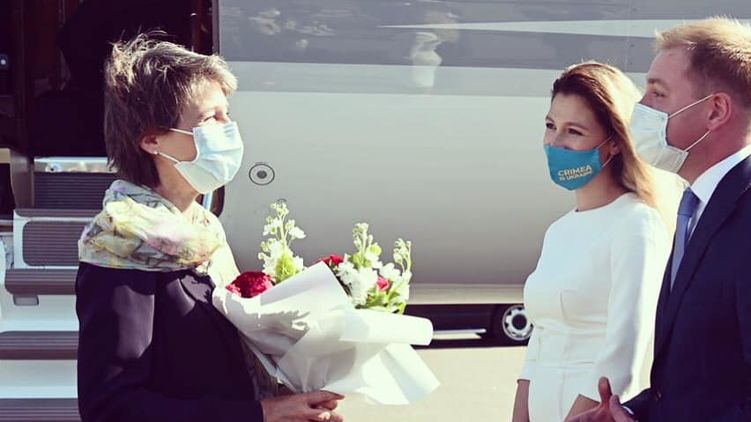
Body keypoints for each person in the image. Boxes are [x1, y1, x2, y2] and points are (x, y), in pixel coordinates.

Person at [75, 34, 344, 422]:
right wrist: (261, 413)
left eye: (226, 114)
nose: (228, 128)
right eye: (209, 119)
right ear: (151, 139)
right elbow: (112, 409)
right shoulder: (121, 247)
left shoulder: (203, 231)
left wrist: (292, 402)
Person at [568, 17, 751, 422]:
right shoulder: (696, 207)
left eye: (658, 93)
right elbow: (698, 379)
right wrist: (632, 413)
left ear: (715, 111)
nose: (641, 108)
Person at [512, 62, 674, 421]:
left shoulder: (636, 223)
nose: (555, 143)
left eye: (574, 131)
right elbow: (539, 342)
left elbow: (623, 352)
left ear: (614, 143)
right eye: (551, 126)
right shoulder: (558, 231)